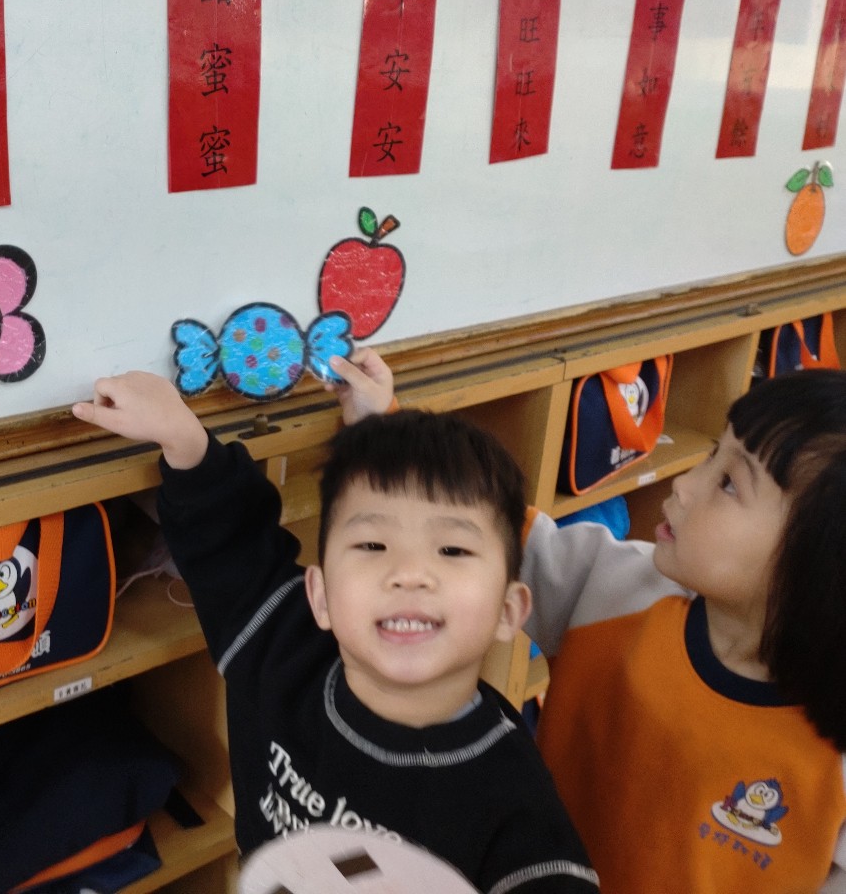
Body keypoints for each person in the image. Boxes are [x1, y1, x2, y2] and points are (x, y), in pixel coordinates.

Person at [72, 357, 600, 893]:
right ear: (320, 596)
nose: (409, 573)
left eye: (452, 549)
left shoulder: (512, 804)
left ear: (508, 610)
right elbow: (233, 545)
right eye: (373, 544)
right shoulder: (282, 643)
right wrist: (183, 439)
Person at [510, 368, 846, 893]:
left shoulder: (834, 764)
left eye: (729, 483)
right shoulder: (614, 587)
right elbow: (486, 524)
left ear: (817, 566)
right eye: (713, 454)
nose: (684, 485)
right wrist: (389, 427)